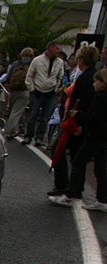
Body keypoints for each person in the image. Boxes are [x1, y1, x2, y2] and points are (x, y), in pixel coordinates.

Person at [49, 67, 107, 211]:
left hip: (96, 136)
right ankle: (103, 199)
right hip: (103, 137)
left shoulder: (100, 98)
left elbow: (96, 118)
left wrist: (79, 116)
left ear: (102, 82)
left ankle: (71, 194)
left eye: (96, 81)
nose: (94, 84)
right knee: (100, 167)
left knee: (79, 161)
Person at [47, 45, 98, 198]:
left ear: (81, 59)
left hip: (75, 122)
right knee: (75, 155)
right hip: (74, 119)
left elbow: (86, 102)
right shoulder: (84, 75)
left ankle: (65, 186)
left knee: (59, 149)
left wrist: (79, 122)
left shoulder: (86, 78)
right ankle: (75, 186)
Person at [23, 41, 64, 146]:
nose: (58, 51)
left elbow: (60, 76)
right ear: (50, 48)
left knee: (45, 117)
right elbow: (29, 76)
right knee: (32, 115)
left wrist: (55, 88)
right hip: (37, 91)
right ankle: (29, 135)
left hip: (50, 93)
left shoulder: (59, 62)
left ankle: (39, 137)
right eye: (57, 48)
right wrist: (32, 89)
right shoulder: (37, 60)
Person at [4, 48, 34, 138]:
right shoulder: (32, 65)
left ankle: (13, 130)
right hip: (24, 90)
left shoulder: (16, 64)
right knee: (17, 112)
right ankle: (9, 131)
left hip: (13, 90)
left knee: (12, 110)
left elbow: (8, 76)